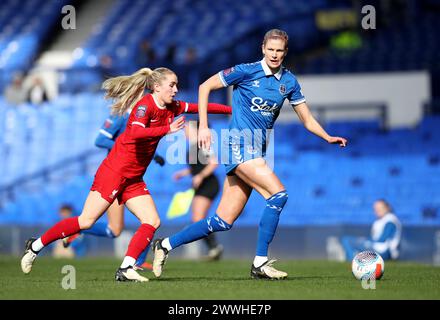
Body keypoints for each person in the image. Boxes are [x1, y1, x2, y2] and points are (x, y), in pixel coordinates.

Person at [152, 29, 348, 280]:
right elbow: (205, 87)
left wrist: (327, 136)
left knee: (222, 221)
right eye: (271, 49)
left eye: (280, 50)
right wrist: (202, 125)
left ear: (285, 52)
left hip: (257, 150)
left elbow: (307, 118)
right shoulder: (245, 71)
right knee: (278, 195)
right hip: (238, 145)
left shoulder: (289, 82)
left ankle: (164, 245)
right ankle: (260, 262)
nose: (275, 55)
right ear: (263, 49)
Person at [20, 67, 232, 282]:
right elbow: (135, 133)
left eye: (176, 85)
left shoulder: (172, 106)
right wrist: (166, 129)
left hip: (133, 177)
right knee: (86, 221)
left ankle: (126, 268)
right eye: (172, 85)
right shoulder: (144, 106)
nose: (176, 89)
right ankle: (35, 246)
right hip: (114, 172)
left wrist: (233, 110)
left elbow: (201, 107)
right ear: (156, 87)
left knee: (151, 220)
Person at [62, 109, 166, 271]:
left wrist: (155, 155)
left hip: (131, 175)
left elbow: (139, 141)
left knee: (132, 225)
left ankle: (136, 261)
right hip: (116, 175)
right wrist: (121, 145)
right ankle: (76, 229)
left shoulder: (140, 115)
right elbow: (100, 140)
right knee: (118, 228)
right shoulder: (121, 114)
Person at [172, 121, 223, 260]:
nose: (185, 131)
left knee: (197, 218)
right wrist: (183, 173)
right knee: (197, 219)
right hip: (202, 185)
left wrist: (200, 176)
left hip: (209, 184)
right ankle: (214, 248)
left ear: (195, 130)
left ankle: (215, 247)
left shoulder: (203, 143)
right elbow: (198, 166)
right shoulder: (193, 146)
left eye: (187, 128)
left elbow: (214, 162)